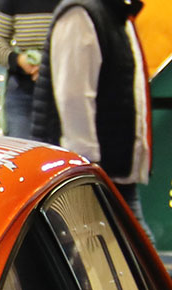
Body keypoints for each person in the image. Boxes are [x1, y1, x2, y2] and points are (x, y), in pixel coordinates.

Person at [30, 0, 151, 232]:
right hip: (91, 179)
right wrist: (86, 175)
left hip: (114, 175)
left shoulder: (115, 13)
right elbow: (73, 98)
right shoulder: (80, 15)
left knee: (134, 247)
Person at [0, 0, 55, 139]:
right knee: (22, 146)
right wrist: (18, 60)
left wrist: (49, 67)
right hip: (22, 90)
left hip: (61, 91)